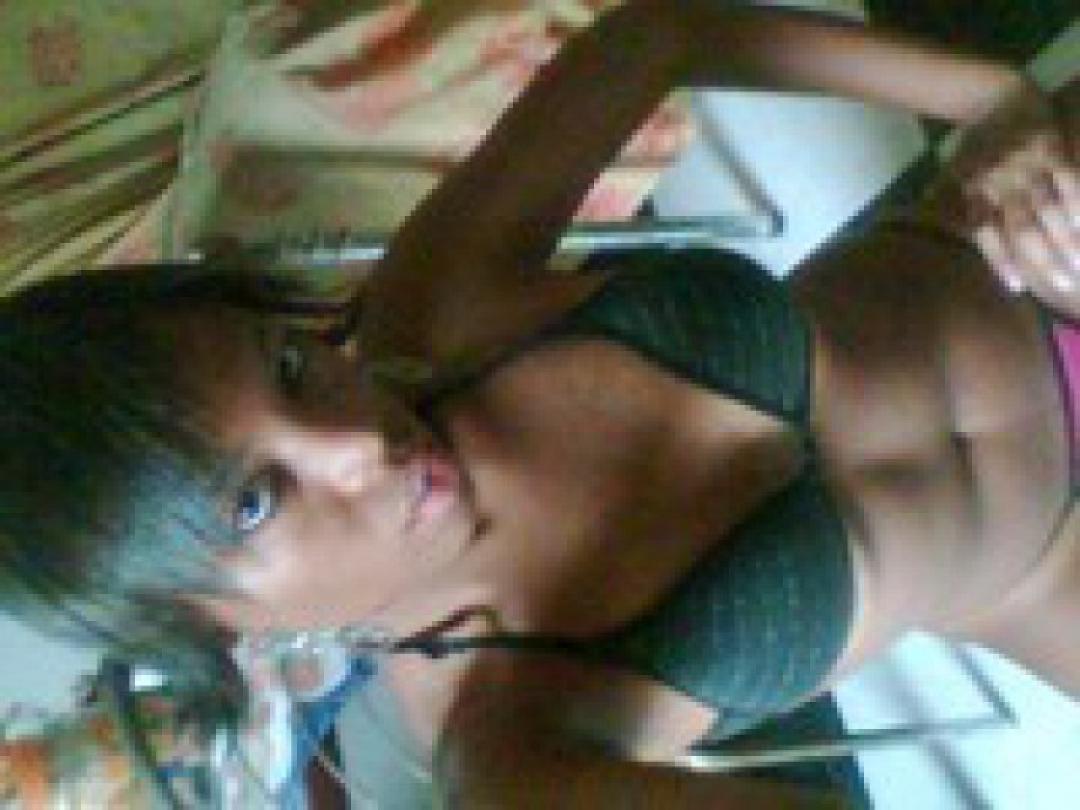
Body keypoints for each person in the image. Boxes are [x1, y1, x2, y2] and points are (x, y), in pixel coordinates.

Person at [2, 2, 1079, 806]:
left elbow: (648, 40)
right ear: (214, 630)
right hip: (1049, 579)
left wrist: (984, 102)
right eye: (254, 500)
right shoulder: (512, 746)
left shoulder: (436, 316)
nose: (358, 439)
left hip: (1018, 245)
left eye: (289, 365)